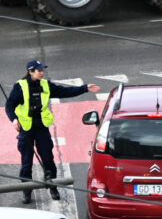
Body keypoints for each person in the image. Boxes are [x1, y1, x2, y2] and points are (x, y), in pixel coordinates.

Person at [5, 60, 99, 204]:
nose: (42, 72)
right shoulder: (21, 86)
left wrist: (85, 88)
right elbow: (10, 105)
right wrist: (14, 119)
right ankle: (26, 191)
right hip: (26, 128)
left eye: (42, 70)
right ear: (30, 72)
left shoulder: (45, 85)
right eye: (38, 70)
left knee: (48, 160)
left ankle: (53, 187)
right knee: (26, 163)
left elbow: (65, 91)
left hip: (41, 127)